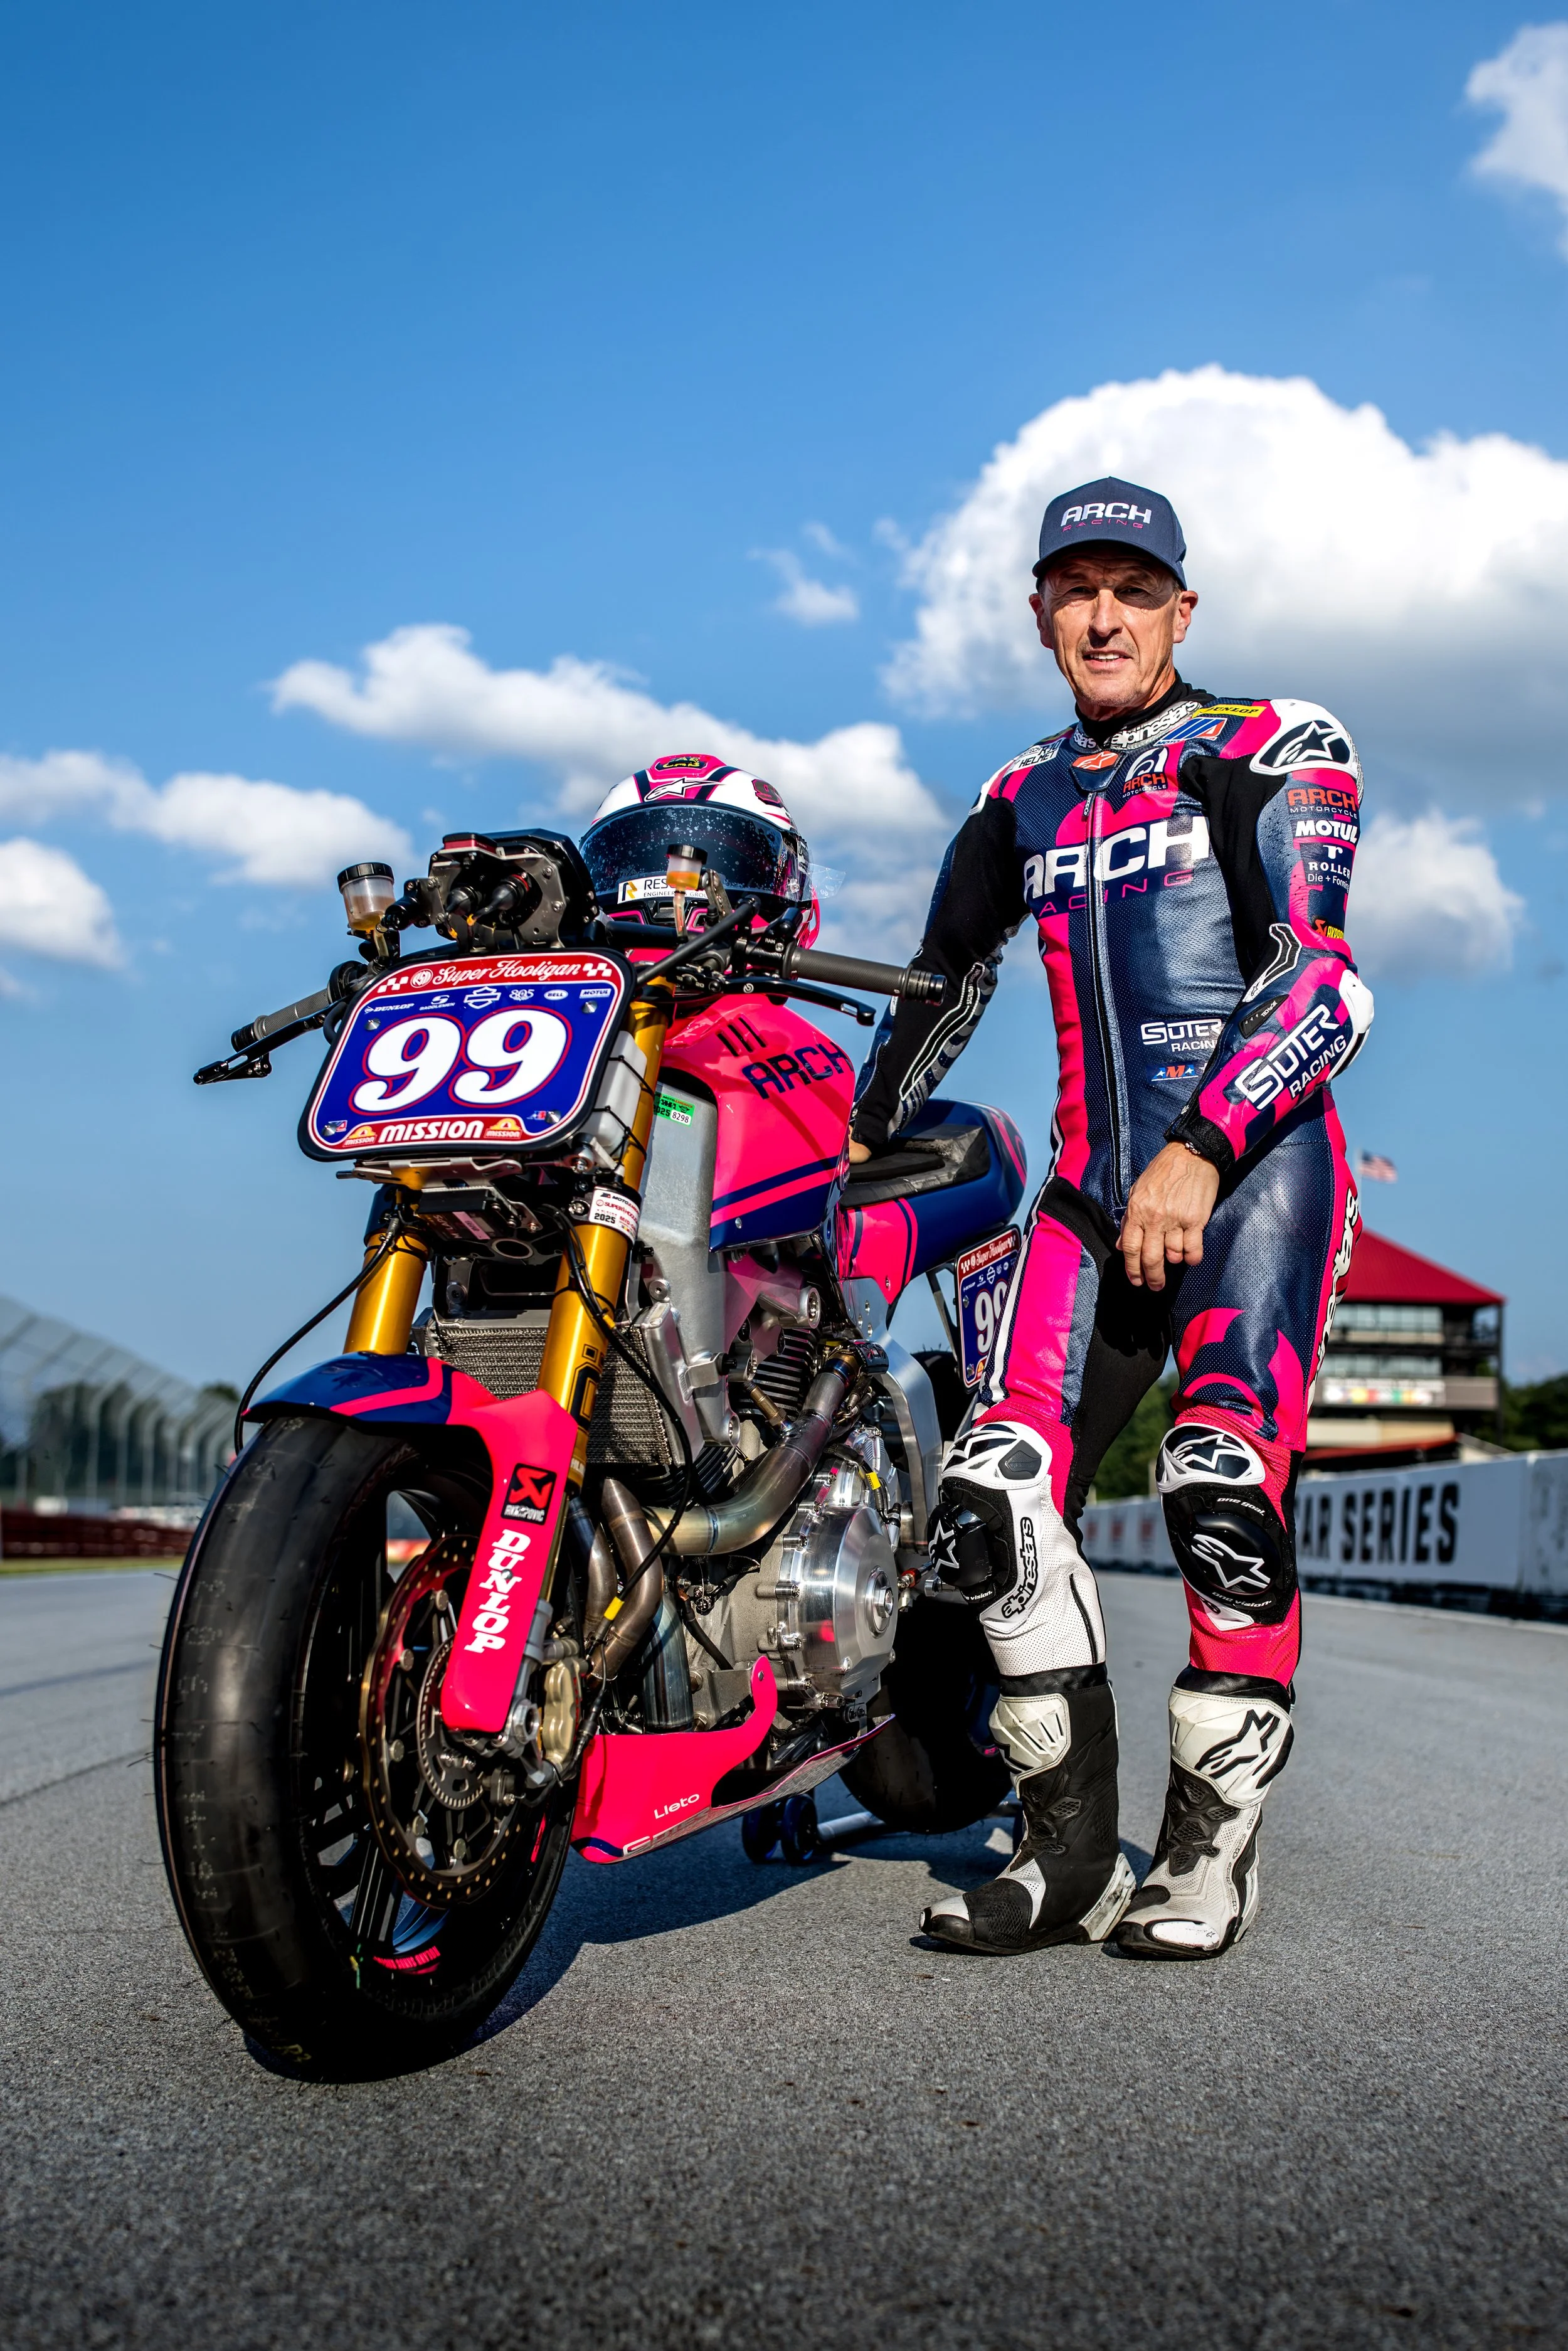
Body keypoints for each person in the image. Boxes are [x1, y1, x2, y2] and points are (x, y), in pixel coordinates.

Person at [848, 476, 1372, 1960]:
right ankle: (1064, 1851)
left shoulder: (1272, 741)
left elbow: (1324, 984)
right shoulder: (1017, 795)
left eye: (1132, 590)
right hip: (1085, 1199)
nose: (1101, 614)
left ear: (1178, 612)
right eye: (1074, 587)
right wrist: (850, 1148)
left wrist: (1202, 1146)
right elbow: (939, 987)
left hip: (1250, 1173)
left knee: (1217, 1486)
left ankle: (1208, 1859)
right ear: (1036, 613)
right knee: (997, 1491)